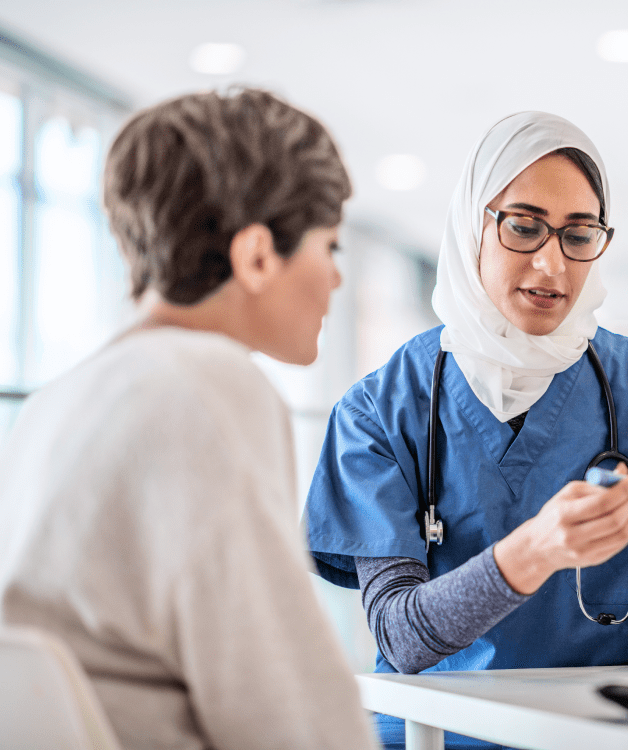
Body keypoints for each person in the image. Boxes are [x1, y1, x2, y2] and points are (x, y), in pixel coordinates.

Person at [304, 112, 628, 749]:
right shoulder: (379, 410)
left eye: (579, 235)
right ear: (474, 225)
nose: (552, 264)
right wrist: (536, 551)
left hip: (605, 735)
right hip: (438, 737)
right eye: (523, 228)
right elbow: (399, 636)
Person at [0, 89, 376, 750]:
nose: (336, 281)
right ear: (258, 256)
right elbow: (294, 716)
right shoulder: (207, 383)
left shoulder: (54, 402)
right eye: (331, 248)